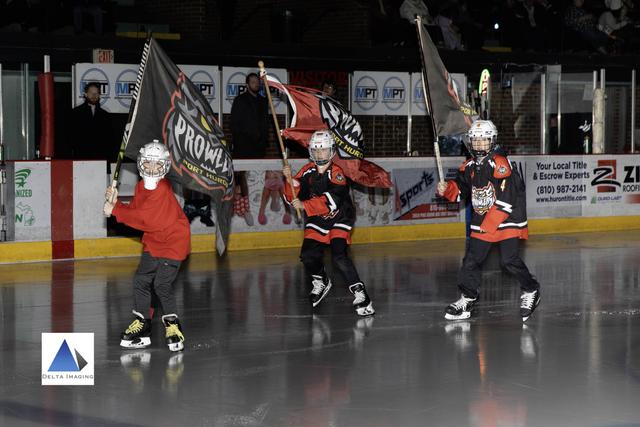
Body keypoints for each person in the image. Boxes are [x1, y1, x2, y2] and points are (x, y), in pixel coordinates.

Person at [436, 120, 540, 322]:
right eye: (475, 140)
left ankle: (531, 289)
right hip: (483, 221)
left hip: (507, 218)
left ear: (492, 141)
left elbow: (508, 197)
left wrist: (489, 225)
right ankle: (468, 298)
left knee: (509, 261)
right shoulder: (469, 166)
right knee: (471, 261)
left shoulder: (500, 163)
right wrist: (447, 189)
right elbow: (460, 190)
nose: (479, 144)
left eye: (483, 140)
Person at [103, 140, 190, 352]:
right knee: (141, 280)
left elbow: (146, 220)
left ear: (165, 166)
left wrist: (115, 211)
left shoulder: (162, 190)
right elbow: (136, 212)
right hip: (154, 240)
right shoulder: (141, 186)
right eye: (148, 163)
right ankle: (143, 323)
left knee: (161, 284)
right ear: (141, 164)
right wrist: (116, 203)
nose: (151, 168)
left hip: (173, 243)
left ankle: (173, 326)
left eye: (157, 164)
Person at [282, 130, 375, 316]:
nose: (319, 154)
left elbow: (333, 200)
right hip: (318, 218)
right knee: (308, 255)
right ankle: (321, 280)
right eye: (316, 150)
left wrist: (305, 205)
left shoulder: (337, 173)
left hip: (340, 217)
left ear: (331, 151)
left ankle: (360, 293)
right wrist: (290, 182)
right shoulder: (306, 170)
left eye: (323, 150)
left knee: (339, 256)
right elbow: (290, 197)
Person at [68, 81, 114, 163]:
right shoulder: (76, 113)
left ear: (99, 95)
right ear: (86, 94)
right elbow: (71, 136)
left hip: (100, 159)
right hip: (81, 159)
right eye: (91, 93)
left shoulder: (105, 116)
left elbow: (109, 140)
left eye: (96, 93)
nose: (94, 95)